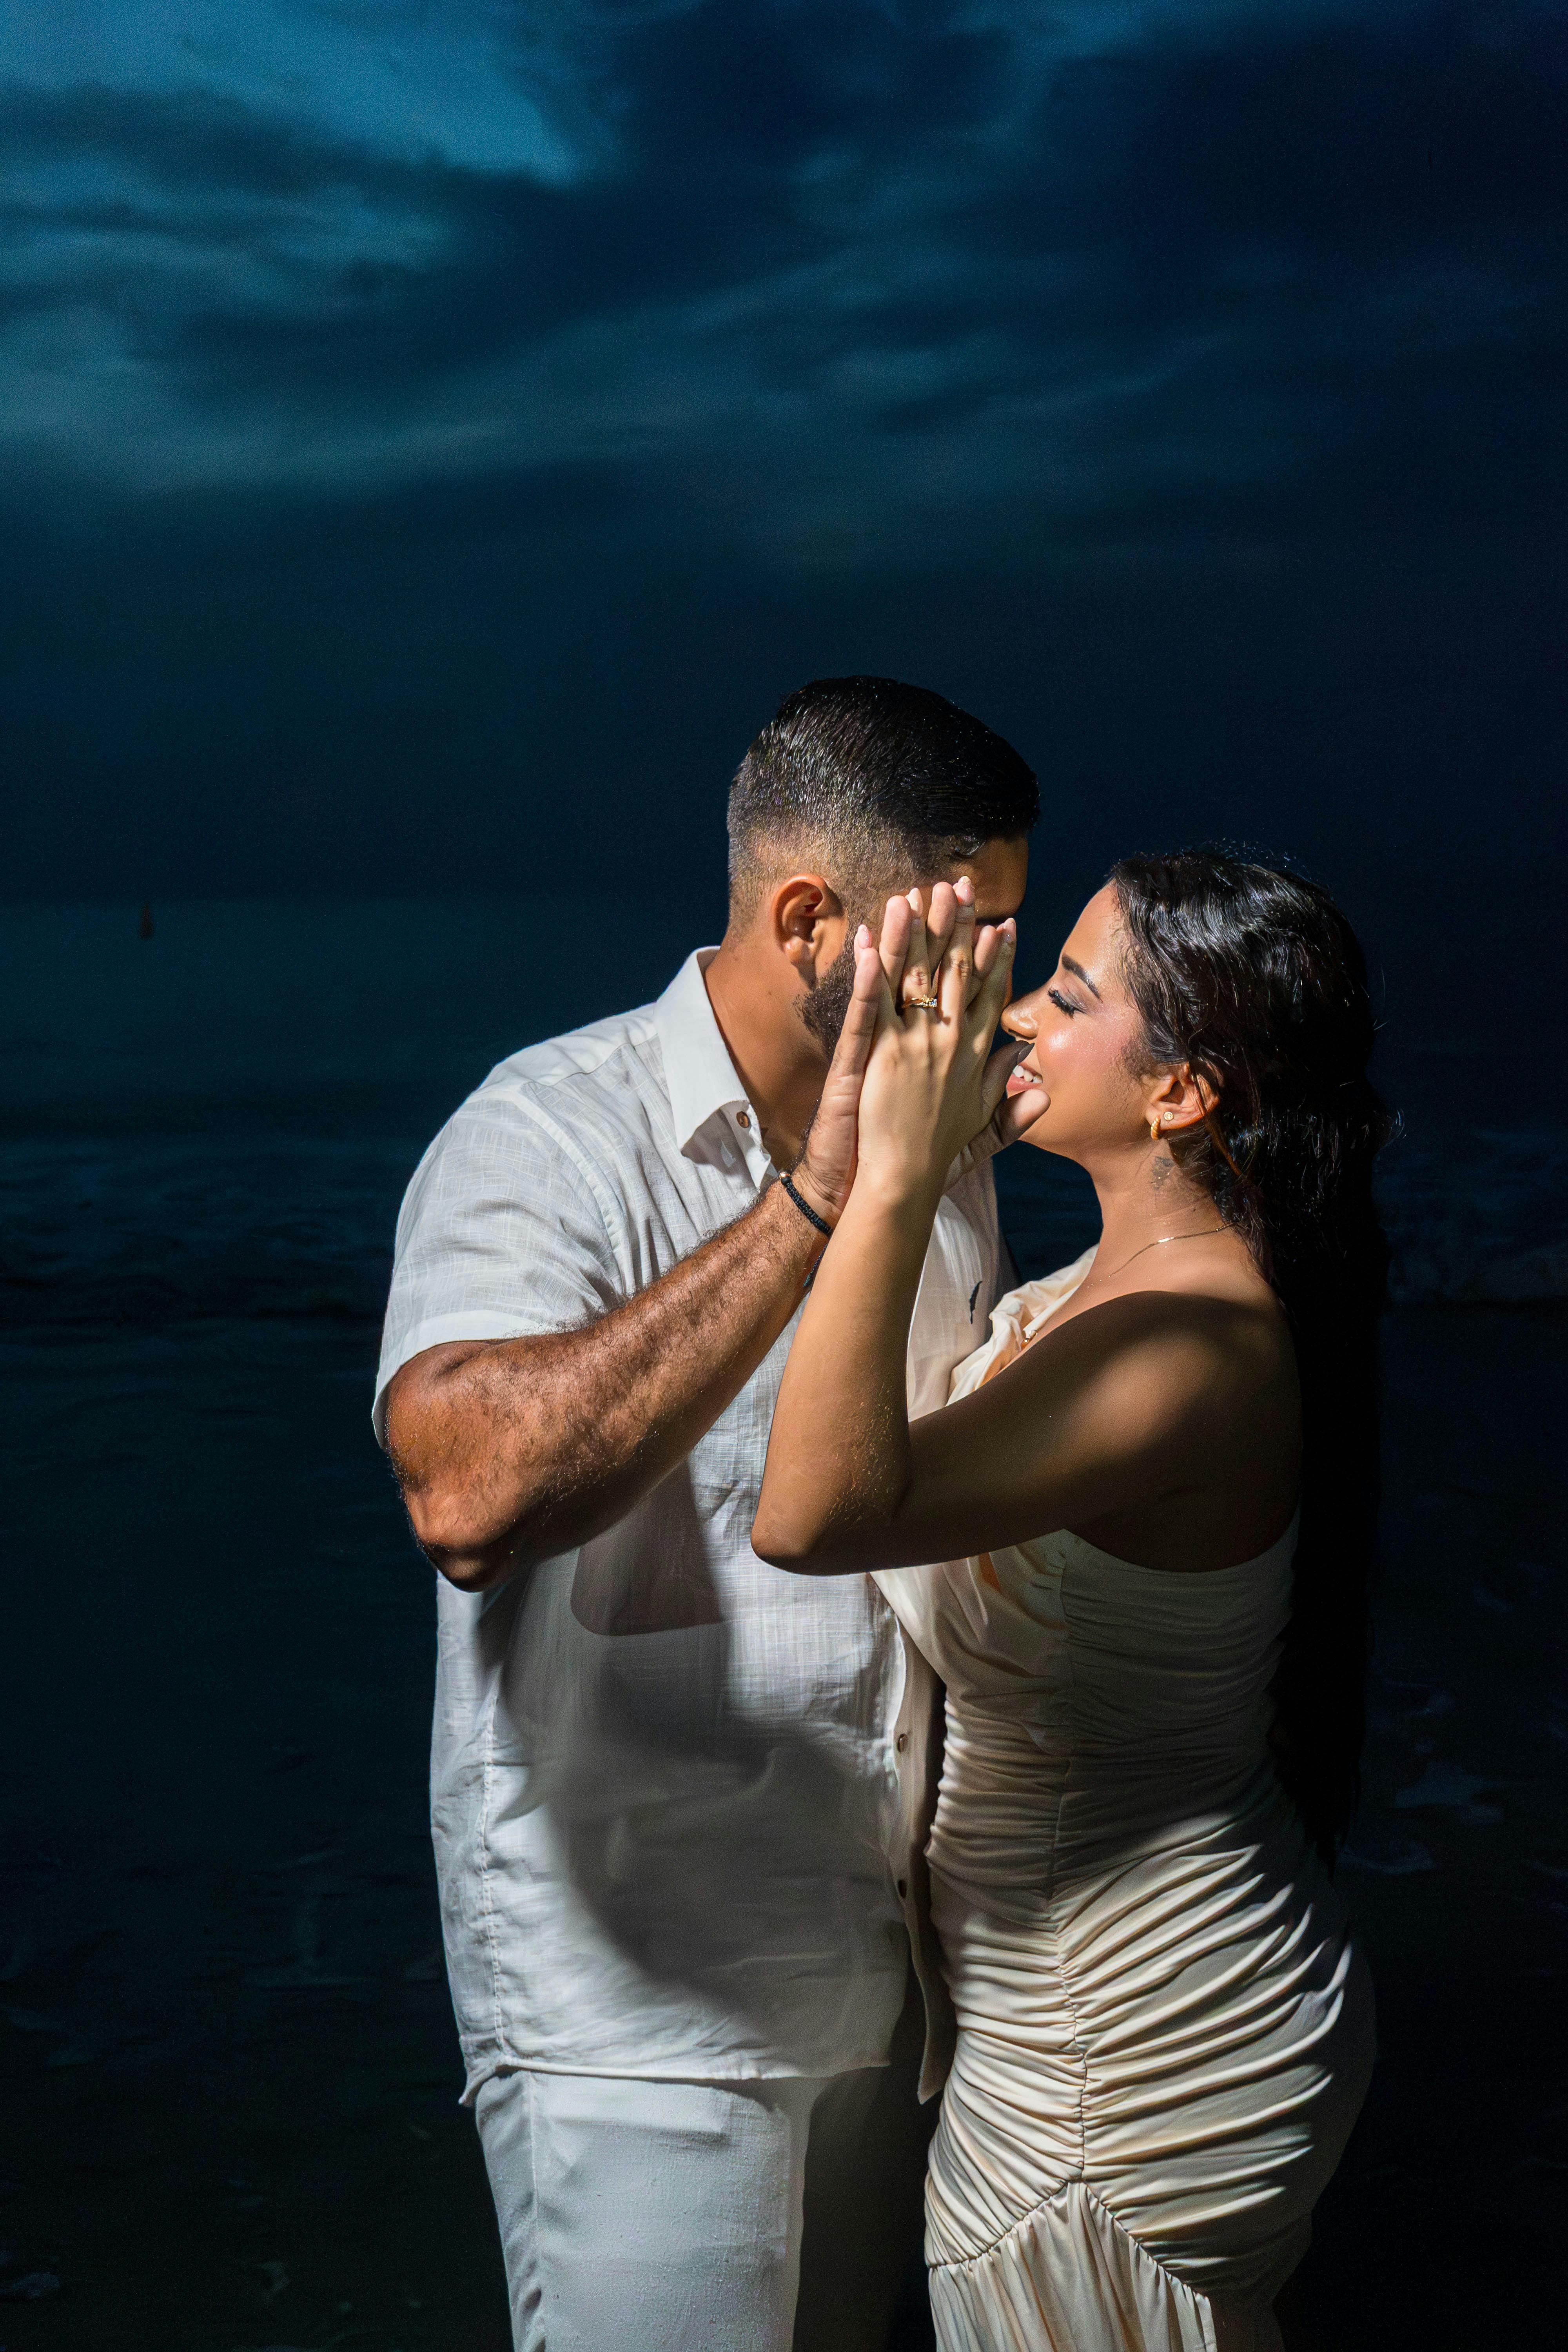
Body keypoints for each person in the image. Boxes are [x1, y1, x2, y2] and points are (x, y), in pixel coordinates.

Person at [374, 677, 1042, 2352]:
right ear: (812, 918)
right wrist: (817, 1197)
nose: (1000, 993)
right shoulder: (548, 1129)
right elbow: (464, 1490)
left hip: (882, 1974)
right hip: (635, 1999)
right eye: (973, 936)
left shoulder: (942, 1151)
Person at [753, 850, 1389, 2352]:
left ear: (1182, 1096)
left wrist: (895, 1169)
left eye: (1070, 993)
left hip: (1125, 2044)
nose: (1021, 1019)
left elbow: (815, 1512)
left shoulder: (1184, 1353)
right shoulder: (1108, 1297)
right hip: (1094, 1992)